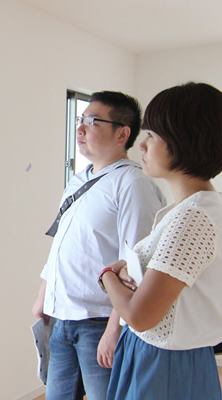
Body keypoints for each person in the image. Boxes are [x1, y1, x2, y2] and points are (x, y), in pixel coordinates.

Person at [32, 91, 166, 399]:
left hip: (99, 321)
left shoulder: (133, 184)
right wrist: (44, 295)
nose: (80, 128)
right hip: (62, 317)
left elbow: (135, 266)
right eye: (81, 119)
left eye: (92, 121)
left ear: (122, 134)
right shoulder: (78, 180)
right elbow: (62, 243)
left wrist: (114, 329)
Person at [101, 82, 222, 399]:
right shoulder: (193, 209)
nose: (142, 145)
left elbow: (140, 316)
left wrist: (107, 276)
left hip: (165, 363)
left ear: (184, 141)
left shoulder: (194, 217)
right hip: (165, 357)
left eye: (152, 135)